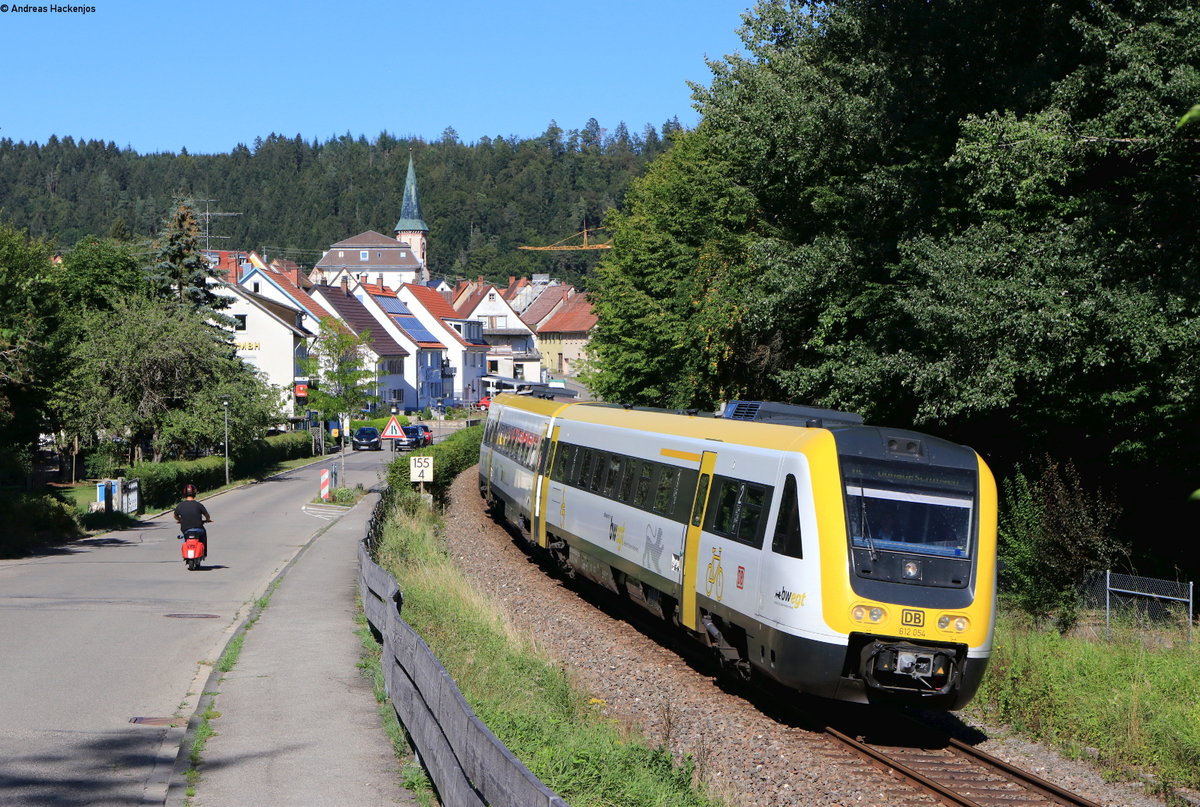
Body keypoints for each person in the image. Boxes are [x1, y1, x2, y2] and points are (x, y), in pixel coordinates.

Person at [174, 483, 213, 555]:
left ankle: (186, 546)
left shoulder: (180, 505)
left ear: (184, 493)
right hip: (199, 529)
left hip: (186, 529)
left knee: (185, 537)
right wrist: (207, 520)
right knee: (203, 535)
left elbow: (175, 516)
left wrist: (180, 520)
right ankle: (204, 553)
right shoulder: (199, 505)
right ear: (194, 493)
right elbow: (207, 515)